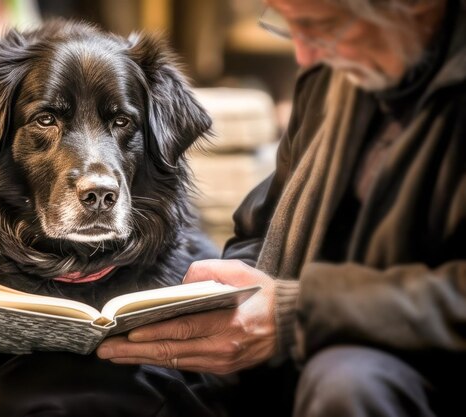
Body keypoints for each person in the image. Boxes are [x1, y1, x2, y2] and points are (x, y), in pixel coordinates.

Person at [97, 0, 466, 416]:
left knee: (348, 379)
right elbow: (264, 230)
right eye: (287, 25)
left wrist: (295, 313)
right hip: (306, 355)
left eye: (322, 25)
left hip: (401, 368)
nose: (305, 56)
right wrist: (231, 297)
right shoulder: (335, 75)